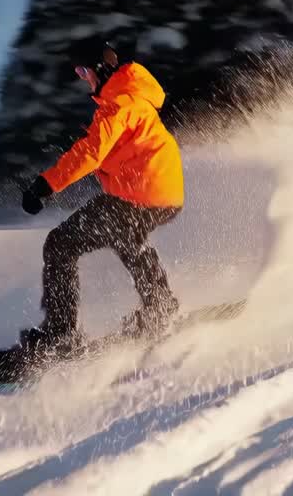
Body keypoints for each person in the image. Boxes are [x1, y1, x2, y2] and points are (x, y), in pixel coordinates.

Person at [18, 39, 184, 356]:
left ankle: (59, 335)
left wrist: (44, 185)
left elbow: (91, 152)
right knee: (128, 236)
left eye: (83, 70)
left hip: (139, 193)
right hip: (164, 191)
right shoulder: (133, 95)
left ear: (99, 68)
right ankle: (159, 306)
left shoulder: (117, 104)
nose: (82, 78)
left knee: (60, 243)